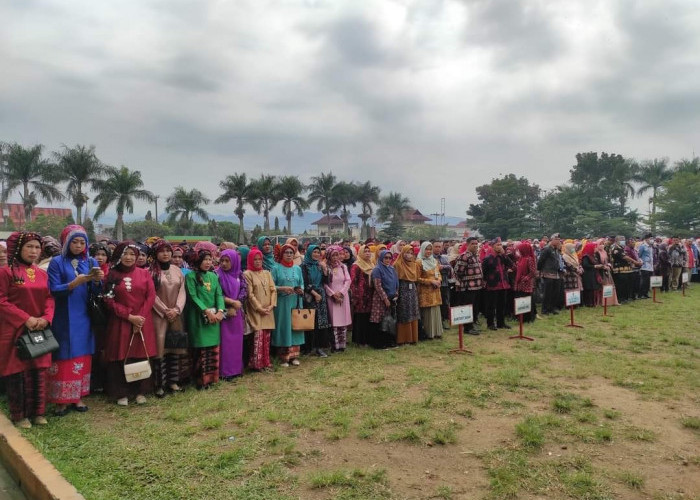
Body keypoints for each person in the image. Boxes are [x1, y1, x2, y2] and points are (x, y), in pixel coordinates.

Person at [47, 224, 103, 416]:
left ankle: (77, 396)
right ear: (66, 242)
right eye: (75, 242)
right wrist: (73, 283)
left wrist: (97, 281)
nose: (79, 246)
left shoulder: (90, 261)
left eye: (82, 242)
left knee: (82, 354)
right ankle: (61, 400)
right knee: (63, 354)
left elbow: (97, 292)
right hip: (63, 315)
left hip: (85, 314)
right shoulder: (56, 262)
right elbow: (53, 289)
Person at [0, 232, 54, 428]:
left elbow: (49, 298)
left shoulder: (42, 273)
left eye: (37, 247)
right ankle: (20, 415)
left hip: (39, 328)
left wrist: (46, 318)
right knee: (18, 372)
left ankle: (38, 412)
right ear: (19, 248)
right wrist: (25, 318)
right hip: (14, 329)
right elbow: (1, 300)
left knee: (39, 370)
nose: (33, 251)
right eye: (29, 247)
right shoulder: (6, 272)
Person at [103, 242, 157, 406]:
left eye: (132, 254)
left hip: (142, 321)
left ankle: (140, 391)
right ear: (119, 255)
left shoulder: (144, 274)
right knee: (120, 355)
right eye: (125, 254)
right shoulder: (111, 275)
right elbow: (108, 300)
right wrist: (129, 317)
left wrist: (139, 318)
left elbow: (150, 297)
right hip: (121, 322)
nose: (129, 257)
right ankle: (121, 393)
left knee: (141, 354)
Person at [149, 239, 187, 395]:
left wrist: (177, 309)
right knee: (160, 350)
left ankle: (173, 382)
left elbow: (182, 291)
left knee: (175, 348)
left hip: (176, 315)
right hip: (158, 315)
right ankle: (159, 384)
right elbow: (150, 294)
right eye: (161, 251)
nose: (165, 254)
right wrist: (165, 310)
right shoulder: (150, 272)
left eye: (168, 251)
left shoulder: (177, 270)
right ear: (155, 253)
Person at [185, 249, 225, 389]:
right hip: (197, 317)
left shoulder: (213, 276)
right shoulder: (191, 276)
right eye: (205, 259)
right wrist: (206, 311)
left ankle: (212, 378)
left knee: (211, 348)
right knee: (200, 349)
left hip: (214, 317)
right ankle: (199, 380)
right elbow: (193, 296)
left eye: (210, 259)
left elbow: (219, 294)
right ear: (198, 260)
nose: (208, 262)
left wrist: (220, 311)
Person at [271, 244, 305, 366]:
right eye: (286, 252)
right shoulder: (276, 268)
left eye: (291, 252)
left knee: (295, 327)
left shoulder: (297, 269)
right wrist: (282, 288)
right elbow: (271, 286)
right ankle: (283, 356)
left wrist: (301, 289)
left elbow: (302, 283)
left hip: (295, 302)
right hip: (282, 303)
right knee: (284, 327)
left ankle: (294, 356)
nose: (289, 255)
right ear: (281, 254)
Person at [217, 249, 248, 380]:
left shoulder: (239, 274)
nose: (224, 264)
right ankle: (225, 371)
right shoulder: (216, 274)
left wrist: (238, 303)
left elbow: (244, 289)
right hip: (223, 313)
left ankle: (236, 369)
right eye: (222, 261)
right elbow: (216, 294)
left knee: (237, 343)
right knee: (225, 343)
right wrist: (230, 303)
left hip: (237, 313)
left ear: (234, 261)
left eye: (227, 261)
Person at [243, 248, 276, 370]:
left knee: (266, 336)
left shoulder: (267, 273)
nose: (257, 262)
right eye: (255, 259)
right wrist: (259, 308)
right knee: (258, 336)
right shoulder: (247, 274)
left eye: (259, 259)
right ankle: (256, 363)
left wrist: (272, 305)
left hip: (268, 309)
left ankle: (266, 362)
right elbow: (249, 294)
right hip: (256, 310)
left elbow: (273, 290)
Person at [301, 244, 331, 357]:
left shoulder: (319, 266)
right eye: (314, 252)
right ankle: (308, 348)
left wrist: (324, 270)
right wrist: (314, 293)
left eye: (318, 252)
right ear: (309, 253)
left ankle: (319, 348)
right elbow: (304, 282)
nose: (317, 254)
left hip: (321, 295)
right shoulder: (303, 266)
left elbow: (326, 281)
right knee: (309, 322)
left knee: (320, 323)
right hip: (310, 296)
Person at [452, 237, 483, 334]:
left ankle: (472, 325)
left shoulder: (476, 255)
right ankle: (467, 328)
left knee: (474, 308)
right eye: (473, 243)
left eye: (476, 243)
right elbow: (458, 271)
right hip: (467, 287)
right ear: (468, 245)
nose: (475, 245)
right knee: (467, 308)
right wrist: (465, 280)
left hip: (477, 287)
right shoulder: (464, 256)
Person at [324, 246, 352, 351]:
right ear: (328, 256)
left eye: (337, 255)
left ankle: (342, 345)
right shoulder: (325, 268)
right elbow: (324, 284)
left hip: (343, 297)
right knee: (334, 322)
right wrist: (333, 294)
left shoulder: (343, 267)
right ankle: (334, 345)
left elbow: (348, 280)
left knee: (343, 321)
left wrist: (341, 293)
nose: (336, 257)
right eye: (333, 255)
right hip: (332, 298)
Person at [369, 249, 399, 349]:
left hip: (391, 298)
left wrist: (396, 293)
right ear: (381, 258)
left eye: (390, 258)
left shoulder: (391, 268)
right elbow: (377, 285)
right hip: (380, 299)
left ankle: (389, 341)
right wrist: (385, 298)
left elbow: (396, 282)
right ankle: (379, 344)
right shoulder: (377, 269)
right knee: (380, 320)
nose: (388, 260)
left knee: (389, 321)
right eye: (386, 258)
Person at [481, 241, 514, 330]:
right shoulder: (488, 258)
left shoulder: (503, 257)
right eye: (497, 245)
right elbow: (483, 272)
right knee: (491, 306)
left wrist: (504, 255)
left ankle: (501, 323)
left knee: (502, 305)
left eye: (500, 245)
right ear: (492, 246)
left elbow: (511, 265)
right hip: (492, 285)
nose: (499, 247)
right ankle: (490, 324)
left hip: (504, 284)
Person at [393, 245, 420, 345]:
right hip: (402, 289)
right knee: (404, 312)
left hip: (412, 290)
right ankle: (403, 338)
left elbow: (416, 279)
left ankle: (413, 337)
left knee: (413, 311)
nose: (409, 255)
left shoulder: (414, 264)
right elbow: (395, 280)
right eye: (407, 253)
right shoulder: (397, 264)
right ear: (402, 253)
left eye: (411, 253)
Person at [416, 242, 443, 339]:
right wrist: (431, 281)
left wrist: (439, 280)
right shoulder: (419, 262)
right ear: (422, 250)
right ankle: (428, 333)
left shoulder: (434, 261)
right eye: (426, 249)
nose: (428, 251)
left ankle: (437, 332)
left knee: (435, 310)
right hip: (425, 291)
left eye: (430, 249)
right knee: (427, 312)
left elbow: (438, 273)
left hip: (435, 290)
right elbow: (417, 278)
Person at [349, 245, 374, 347]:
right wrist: (356, 296)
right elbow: (352, 282)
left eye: (369, 251)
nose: (368, 253)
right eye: (365, 251)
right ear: (360, 253)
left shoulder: (372, 264)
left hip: (370, 295)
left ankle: (367, 339)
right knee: (360, 318)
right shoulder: (356, 265)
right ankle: (359, 340)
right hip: (360, 296)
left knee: (368, 317)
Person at [537, 234, 563, 315]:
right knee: (547, 293)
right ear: (552, 240)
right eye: (557, 239)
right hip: (548, 273)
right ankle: (545, 310)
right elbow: (540, 260)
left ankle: (552, 308)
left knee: (555, 292)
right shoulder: (547, 249)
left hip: (556, 273)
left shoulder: (556, 249)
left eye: (559, 239)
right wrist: (539, 270)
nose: (558, 241)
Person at [513, 241, 538, 322]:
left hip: (526, 283)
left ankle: (527, 318)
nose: (518, 251)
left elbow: (533, 272)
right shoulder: (521, 258)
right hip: (519, 282)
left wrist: (525, 278)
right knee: (520, 299)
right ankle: (520, 317)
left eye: (520, 250)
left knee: (526, 300)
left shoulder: (529, 259)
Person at [580, 242, 603, 307]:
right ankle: (588, 303)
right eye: (594, 247)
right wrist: (595, 266)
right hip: (588, 275)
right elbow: (585, 265)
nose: (596, 248)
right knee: (589, 288)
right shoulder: (586, 256)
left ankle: (594, 303)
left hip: (593, 273)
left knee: (594, 288)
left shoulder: (593, 255)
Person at [637, 234, 654, 299]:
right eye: (650, 238)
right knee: (643, 281)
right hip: (644, 266)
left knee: (648, 281)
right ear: (646, 239)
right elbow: (639, 255)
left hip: (650, 266)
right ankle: (640, 294)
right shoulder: (643, 246)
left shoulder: (650, 246)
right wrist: (641, 262)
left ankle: (646, 293)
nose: (652, 240)